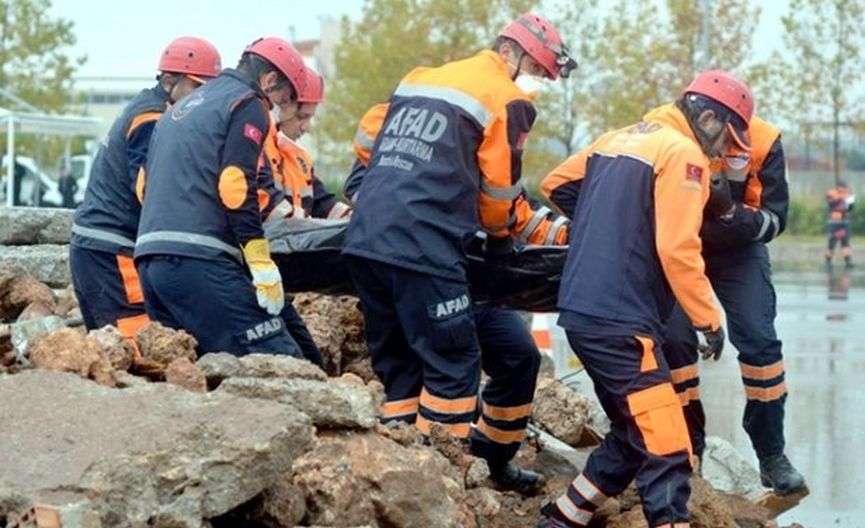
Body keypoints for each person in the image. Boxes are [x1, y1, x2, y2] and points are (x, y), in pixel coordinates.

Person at [342, 12, 576, 490]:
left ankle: (485, 461)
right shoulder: (503, 99)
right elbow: (498, 196)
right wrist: (502, 239)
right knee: (453, 368)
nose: (534, 85)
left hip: (369, 244)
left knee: (506, 356)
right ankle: (433, 485)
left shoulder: (422, 80)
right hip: (426, 249)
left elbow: (366, 139)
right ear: (511, 53)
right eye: (535, 73)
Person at [537, 70, 752, 527]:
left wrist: (608, 224)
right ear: (707, 115)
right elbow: (678, 249)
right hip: (621, 322)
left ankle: (562, 518)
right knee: (667, 443)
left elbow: (555, 183)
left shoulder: (618, 138)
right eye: (724, 140)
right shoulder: (683, 154)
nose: (721, 153)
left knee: (633, 434)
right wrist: (708, 318)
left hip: (584, 311)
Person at [661, 114, 806, 498]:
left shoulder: (763, 140)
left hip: (739, 250)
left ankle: (771, 454)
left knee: (760, 343)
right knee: (674, 345)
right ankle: (687, 453)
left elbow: (775, 219)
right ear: (704, 116)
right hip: (678, 244)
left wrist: (732, 214)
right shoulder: (667, 128)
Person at [134, 37, 308, 358]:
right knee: (285, 362)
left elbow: (142, 187)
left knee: (199, 371)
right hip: (198, 260)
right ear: (269, 80)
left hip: (150, 262)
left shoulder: (179, 110)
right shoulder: (248, 102)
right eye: (284, 97)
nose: (280, 106)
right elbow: (235, 184)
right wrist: (259, 259)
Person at [69, 36, 221, 341]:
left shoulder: (161, 112)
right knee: (135, 348)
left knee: (127, 350)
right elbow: (150, 186)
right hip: (112, 251)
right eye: (197, 88)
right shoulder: (151, 118)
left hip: (107, 247)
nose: (202, 99)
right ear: (168, 79)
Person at [257, 66, 349, 367]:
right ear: (279, 102)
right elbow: (271, 212)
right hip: (260, 270)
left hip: (287, 277)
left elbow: (325, 204)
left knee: (308, 359)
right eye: (302, 116)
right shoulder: (256, 147)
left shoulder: (298, 158)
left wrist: (362, 221)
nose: (306, 127)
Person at [825, 180, 855, 269]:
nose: (843, 190)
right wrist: (839, 199)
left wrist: (849, 203)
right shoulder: (831, 194)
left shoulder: (847, 195)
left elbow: (850, 208)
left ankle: (848, 261)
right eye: (842, 188)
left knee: (845, 242)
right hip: (834, 222)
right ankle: (828, 261)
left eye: (845, 188)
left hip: (844, 222)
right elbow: (830, 204)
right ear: (838, 187)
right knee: (832, 242)